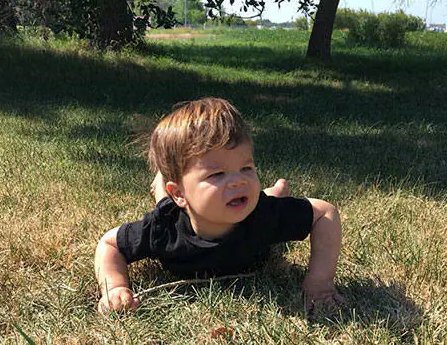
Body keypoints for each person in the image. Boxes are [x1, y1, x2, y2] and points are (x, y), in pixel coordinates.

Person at [94, 97, 343, 314]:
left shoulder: (264, 215)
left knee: (262, 198)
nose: (238, 181)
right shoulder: (162, 230)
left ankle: (276, 191)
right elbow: (109, 244)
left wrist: (319, 281)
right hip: (180, 207)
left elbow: (325, 213)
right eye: (217, 174)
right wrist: (114, 285)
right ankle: (162, 182)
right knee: (166, 205)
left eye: (246, 167)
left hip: (244, 204)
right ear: (179, 192)